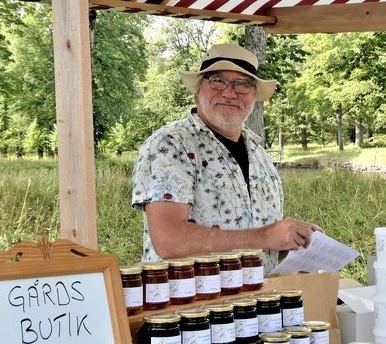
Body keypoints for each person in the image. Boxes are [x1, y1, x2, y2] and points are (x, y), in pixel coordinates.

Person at [132, 43, 319, 273]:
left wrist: (294, 239)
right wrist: (266, 236)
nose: (230, 93)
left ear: (254, 96)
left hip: (257, 294)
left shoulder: (258, 152)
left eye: (243, 84)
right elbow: (170, 241)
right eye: (218, 81)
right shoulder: (170, 144)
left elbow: (259, 238)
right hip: (188, 296)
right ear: (198, 89)